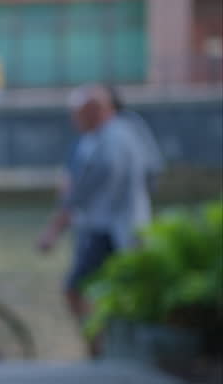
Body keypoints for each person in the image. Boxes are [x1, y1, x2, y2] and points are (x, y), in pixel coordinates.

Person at [37, 84, 153, 356]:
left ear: (96, 112)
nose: (74, 121)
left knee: (75, 289)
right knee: (111, 290)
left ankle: (99, 350)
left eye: (78, 114)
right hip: (118, 227)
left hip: (108, 229)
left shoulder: (113, 140)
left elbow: (88, 187)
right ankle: (106, 348)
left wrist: (55, 227)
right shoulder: (113, 135)